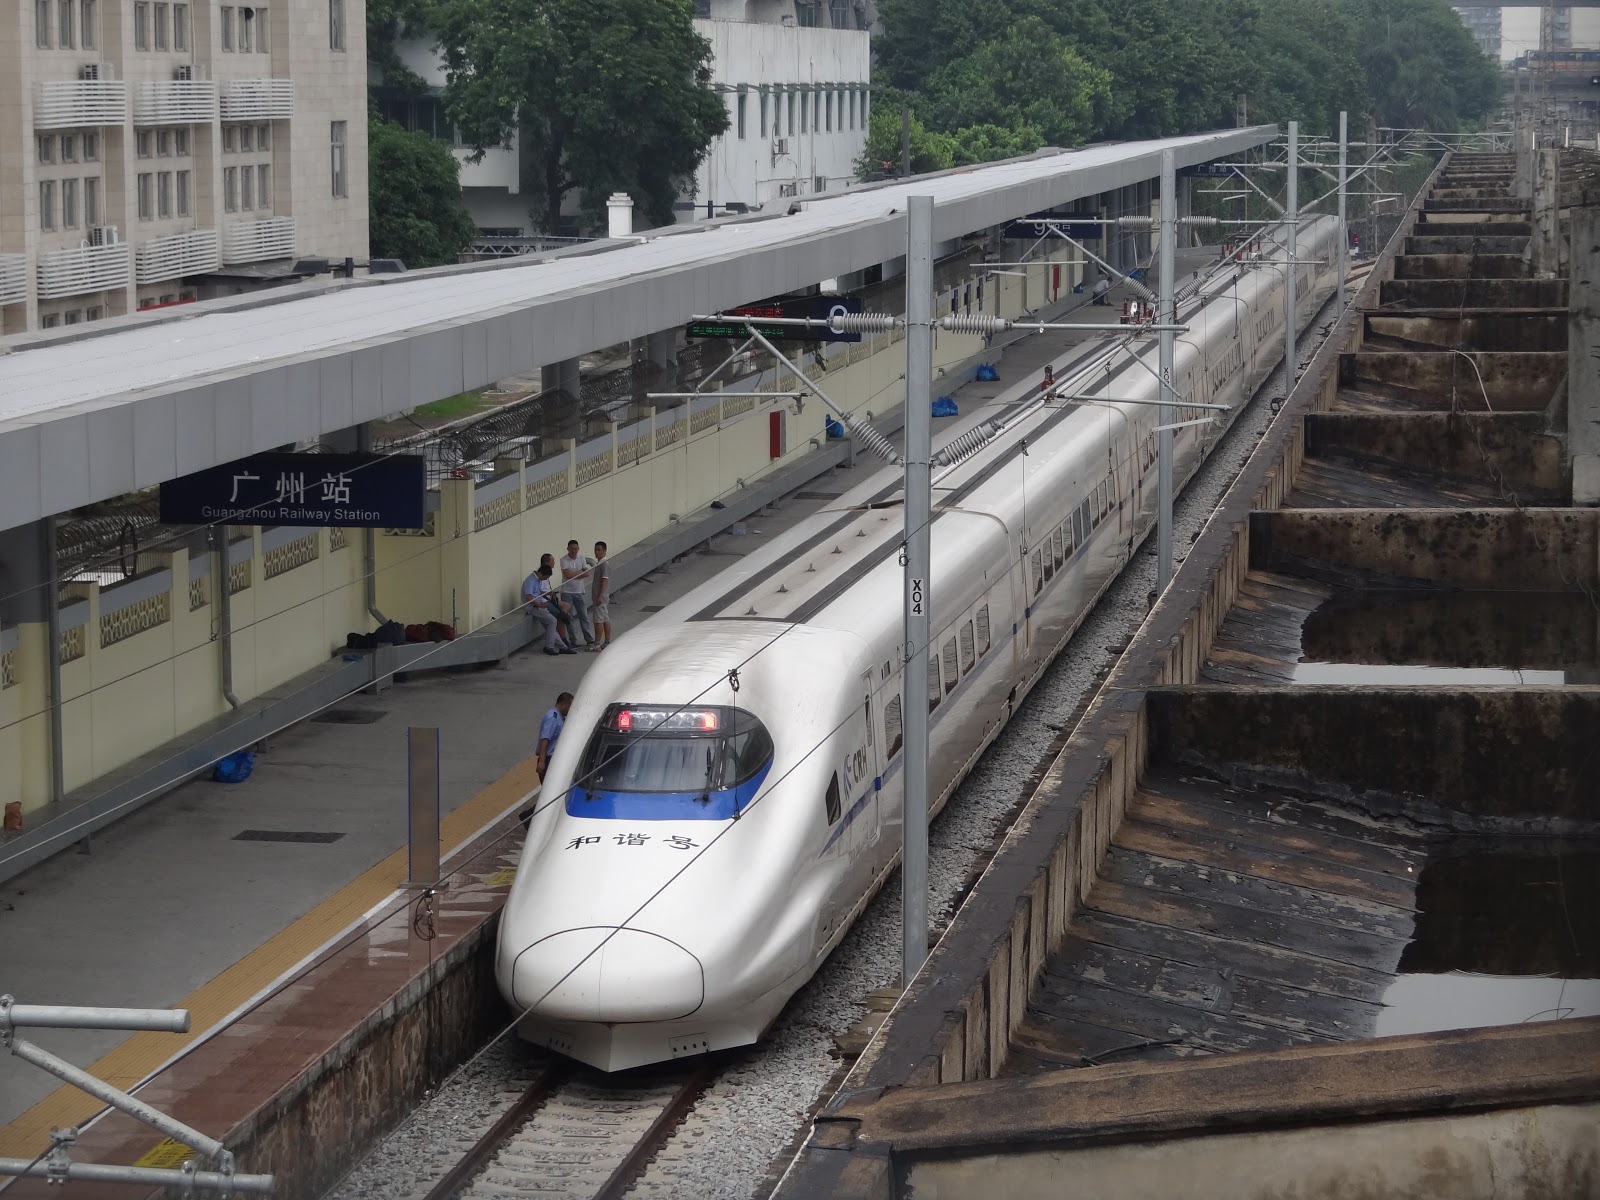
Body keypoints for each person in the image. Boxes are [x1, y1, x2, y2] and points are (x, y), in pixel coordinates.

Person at [522, 563, 574, 656]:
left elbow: (536, 592)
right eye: (546, 577)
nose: (545, 580)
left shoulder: (537, 579)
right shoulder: (530, 581)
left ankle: (563, 647)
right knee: (552, 621)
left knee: (551, 626)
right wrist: (540, 604)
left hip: (539, 604)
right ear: (541, 574)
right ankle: (549, 647)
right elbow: (529, 597)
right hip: (533, 606)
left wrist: (548, 593)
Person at [558, 539, 596, 649]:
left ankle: (589, 639)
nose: (573, 551)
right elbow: (568, 575)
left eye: (575, 549)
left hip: (579, 592)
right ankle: (572, 641)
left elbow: (586, 573)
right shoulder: (563, 560)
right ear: (568, 549)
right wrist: (580, 572)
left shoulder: (582, 558)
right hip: (567, 592)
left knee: (583, 616)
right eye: (571, 549)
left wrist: (575, 574)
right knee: (569, 618)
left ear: (578, 549)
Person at [536, 692, 572, 779]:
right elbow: (545, 739)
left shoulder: (559, 716)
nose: (571, 709)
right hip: (548, 760)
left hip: (553, 759)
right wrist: (542, 762)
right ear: (564, 704)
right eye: (570, 706)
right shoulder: (553, 718)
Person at [589, 540, 612, 651]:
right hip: (601, 596)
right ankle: (607, 641)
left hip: (600, 597)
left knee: (598, 620)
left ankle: (597, 643)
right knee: (605, 618)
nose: (596, 552)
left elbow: (604, 581)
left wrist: (600, 595)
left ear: (604, 550)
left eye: (599, 550)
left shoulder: (604, 564)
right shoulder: (600, 564)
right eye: (595, 549)